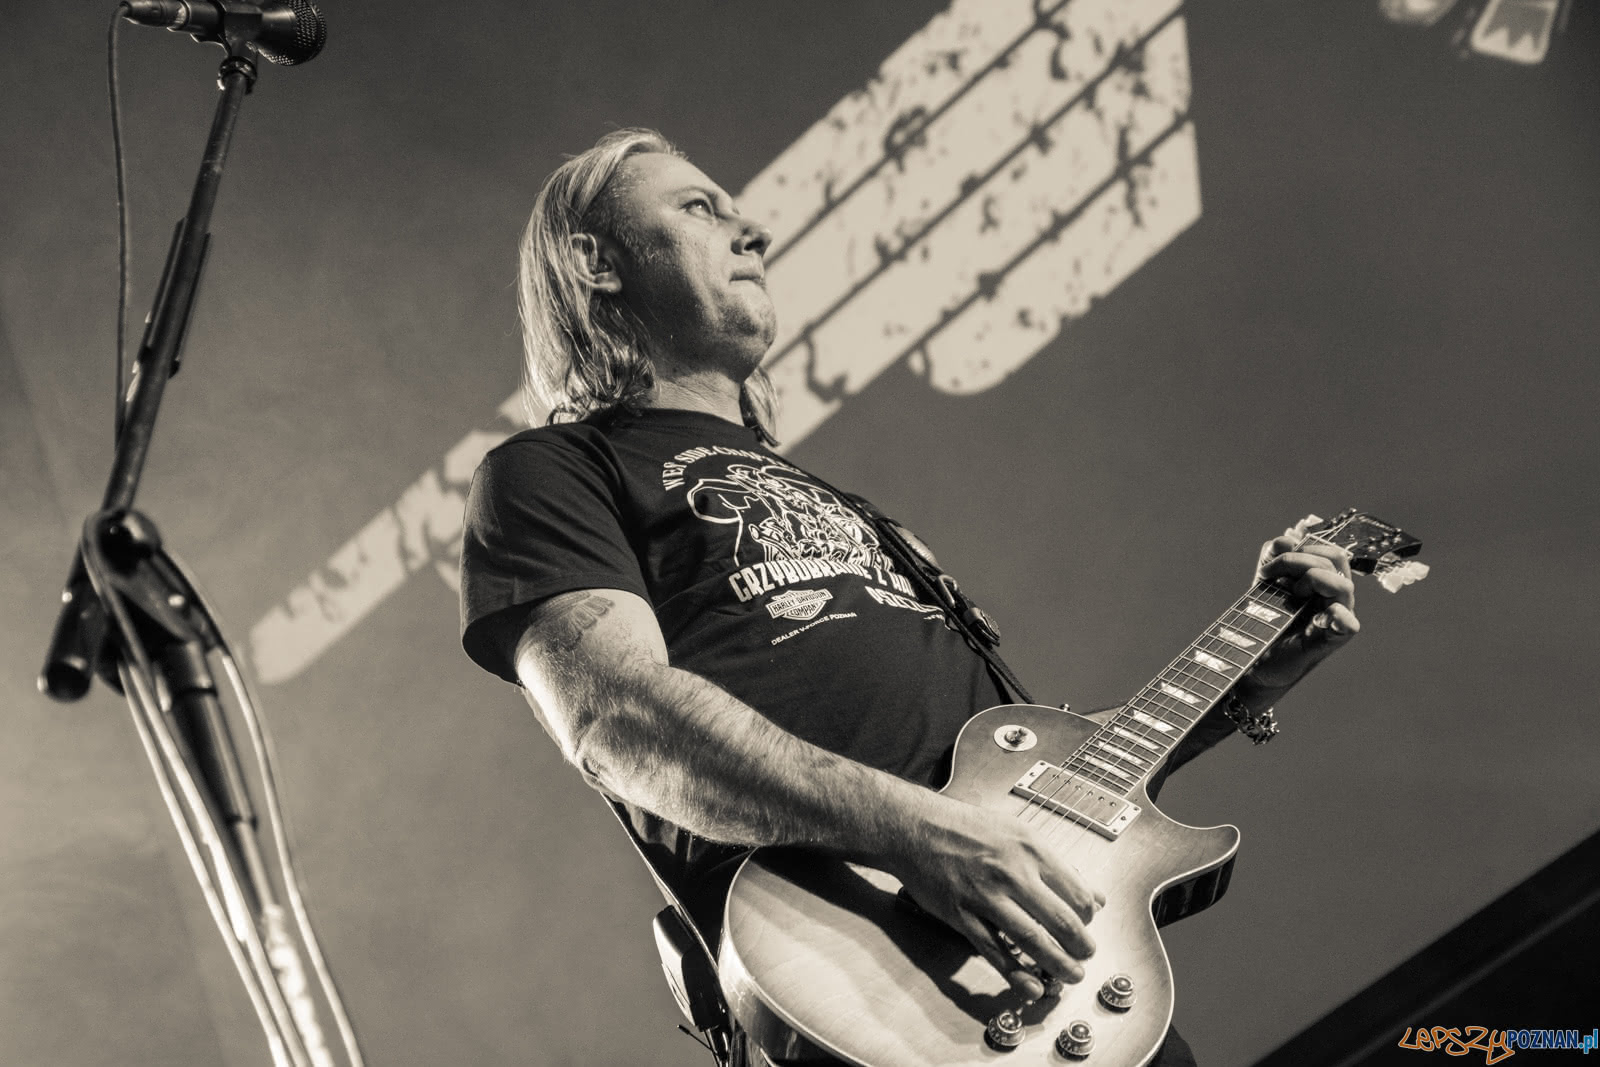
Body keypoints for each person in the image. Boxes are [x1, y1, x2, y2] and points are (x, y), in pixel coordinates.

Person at [458, 128, 1360, 1065]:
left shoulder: (852, 509)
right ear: (594, 262)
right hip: (857, 984)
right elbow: (616, 714)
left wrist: (1247, 678)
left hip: (1053, 988)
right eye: (699, 209)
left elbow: (1051, 790)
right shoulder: (554, 470)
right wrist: (917, 834)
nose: (754, 230)